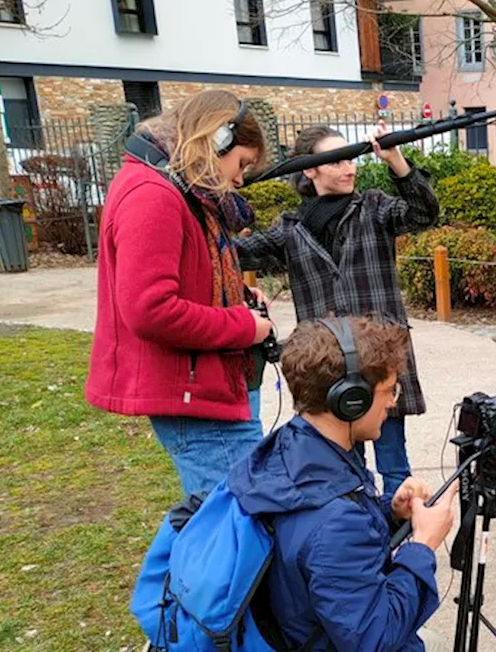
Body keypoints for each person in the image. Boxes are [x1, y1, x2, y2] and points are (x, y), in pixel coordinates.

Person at [228, 315, 458, 651]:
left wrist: (389, 512)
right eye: (388, 391)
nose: (393, 402)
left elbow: (319, 542)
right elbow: (374, 639)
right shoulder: (336, 521)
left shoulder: (296, 447)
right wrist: (423, 545)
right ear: (351, 399)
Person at [86, 89, 274, 497]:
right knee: (231, 525)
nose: (240, 180)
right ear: (216, 139)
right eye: (240, 163)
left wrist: (236, 298)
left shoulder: (175, 189)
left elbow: (183, 276)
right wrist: (242, 326)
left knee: (211, 519)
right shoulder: (153, 195)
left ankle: (170, 565)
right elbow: (150, 309)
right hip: (193, 394)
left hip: (206, 387)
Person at [237, 123, 438, 497]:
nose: (349, 168)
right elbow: (232, 253)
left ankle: (404, 543)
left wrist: (395, 159)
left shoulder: (374, 209)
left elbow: (423, 212)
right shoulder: (290, 229)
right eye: (337, 161)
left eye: (352, 159)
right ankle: (362, 538)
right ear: (309, 169)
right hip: (329, 366)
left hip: (381, 361)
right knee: (344, 468)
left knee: (395, 465)